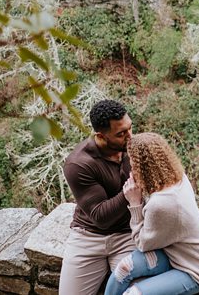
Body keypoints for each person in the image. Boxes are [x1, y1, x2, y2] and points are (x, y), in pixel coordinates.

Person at [104, 132, 199, 295]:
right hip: (171, 252)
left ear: (141, 166)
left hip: (194, 268)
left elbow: (142, 244)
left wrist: (134, 203)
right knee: (123, 269)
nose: (129, 164)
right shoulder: (175, 177)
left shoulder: (161, 203)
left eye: (132, 160)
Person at [59, 99, 136, 295]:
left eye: (130, 128)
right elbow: (101, 217)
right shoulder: (79, 164)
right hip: (88, 237)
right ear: (101, 136)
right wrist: (134, 187)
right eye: (121, 134)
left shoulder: (133, 147)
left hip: (128, 234)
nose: (130, 136)